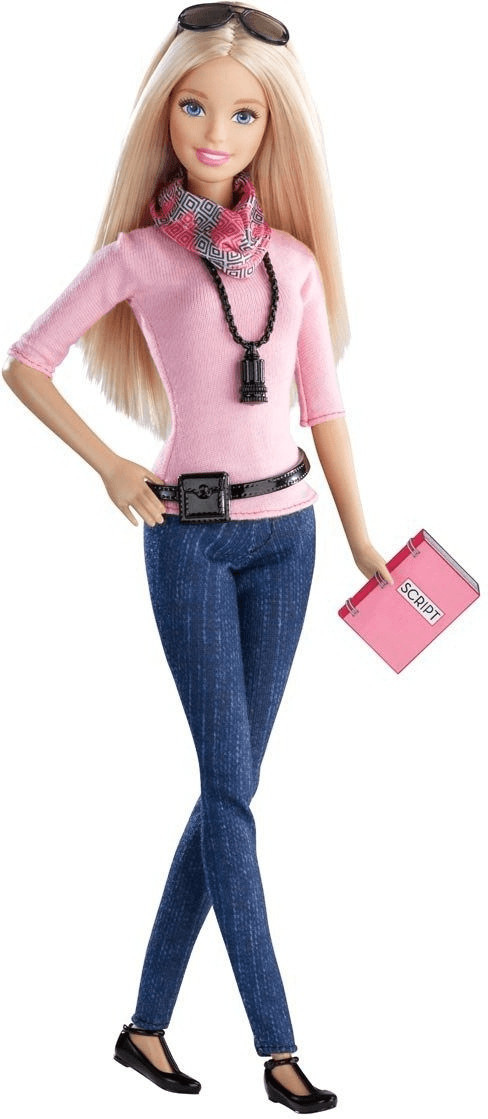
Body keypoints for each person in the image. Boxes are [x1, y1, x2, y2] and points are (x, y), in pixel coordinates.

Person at [2, 4, 393, 1112]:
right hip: (190, 540)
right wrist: (108, 466)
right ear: (162, 115)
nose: (214, 132)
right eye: (193, 107)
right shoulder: (138, 256)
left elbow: (325, 406)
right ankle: (279, 1046)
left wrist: (362, 534)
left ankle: (143, 1028)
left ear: (273, 129)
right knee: (231, 791)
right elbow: (25, 361)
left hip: (291, 538)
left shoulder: (293, 263)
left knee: (230, 791)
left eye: (241, 114)